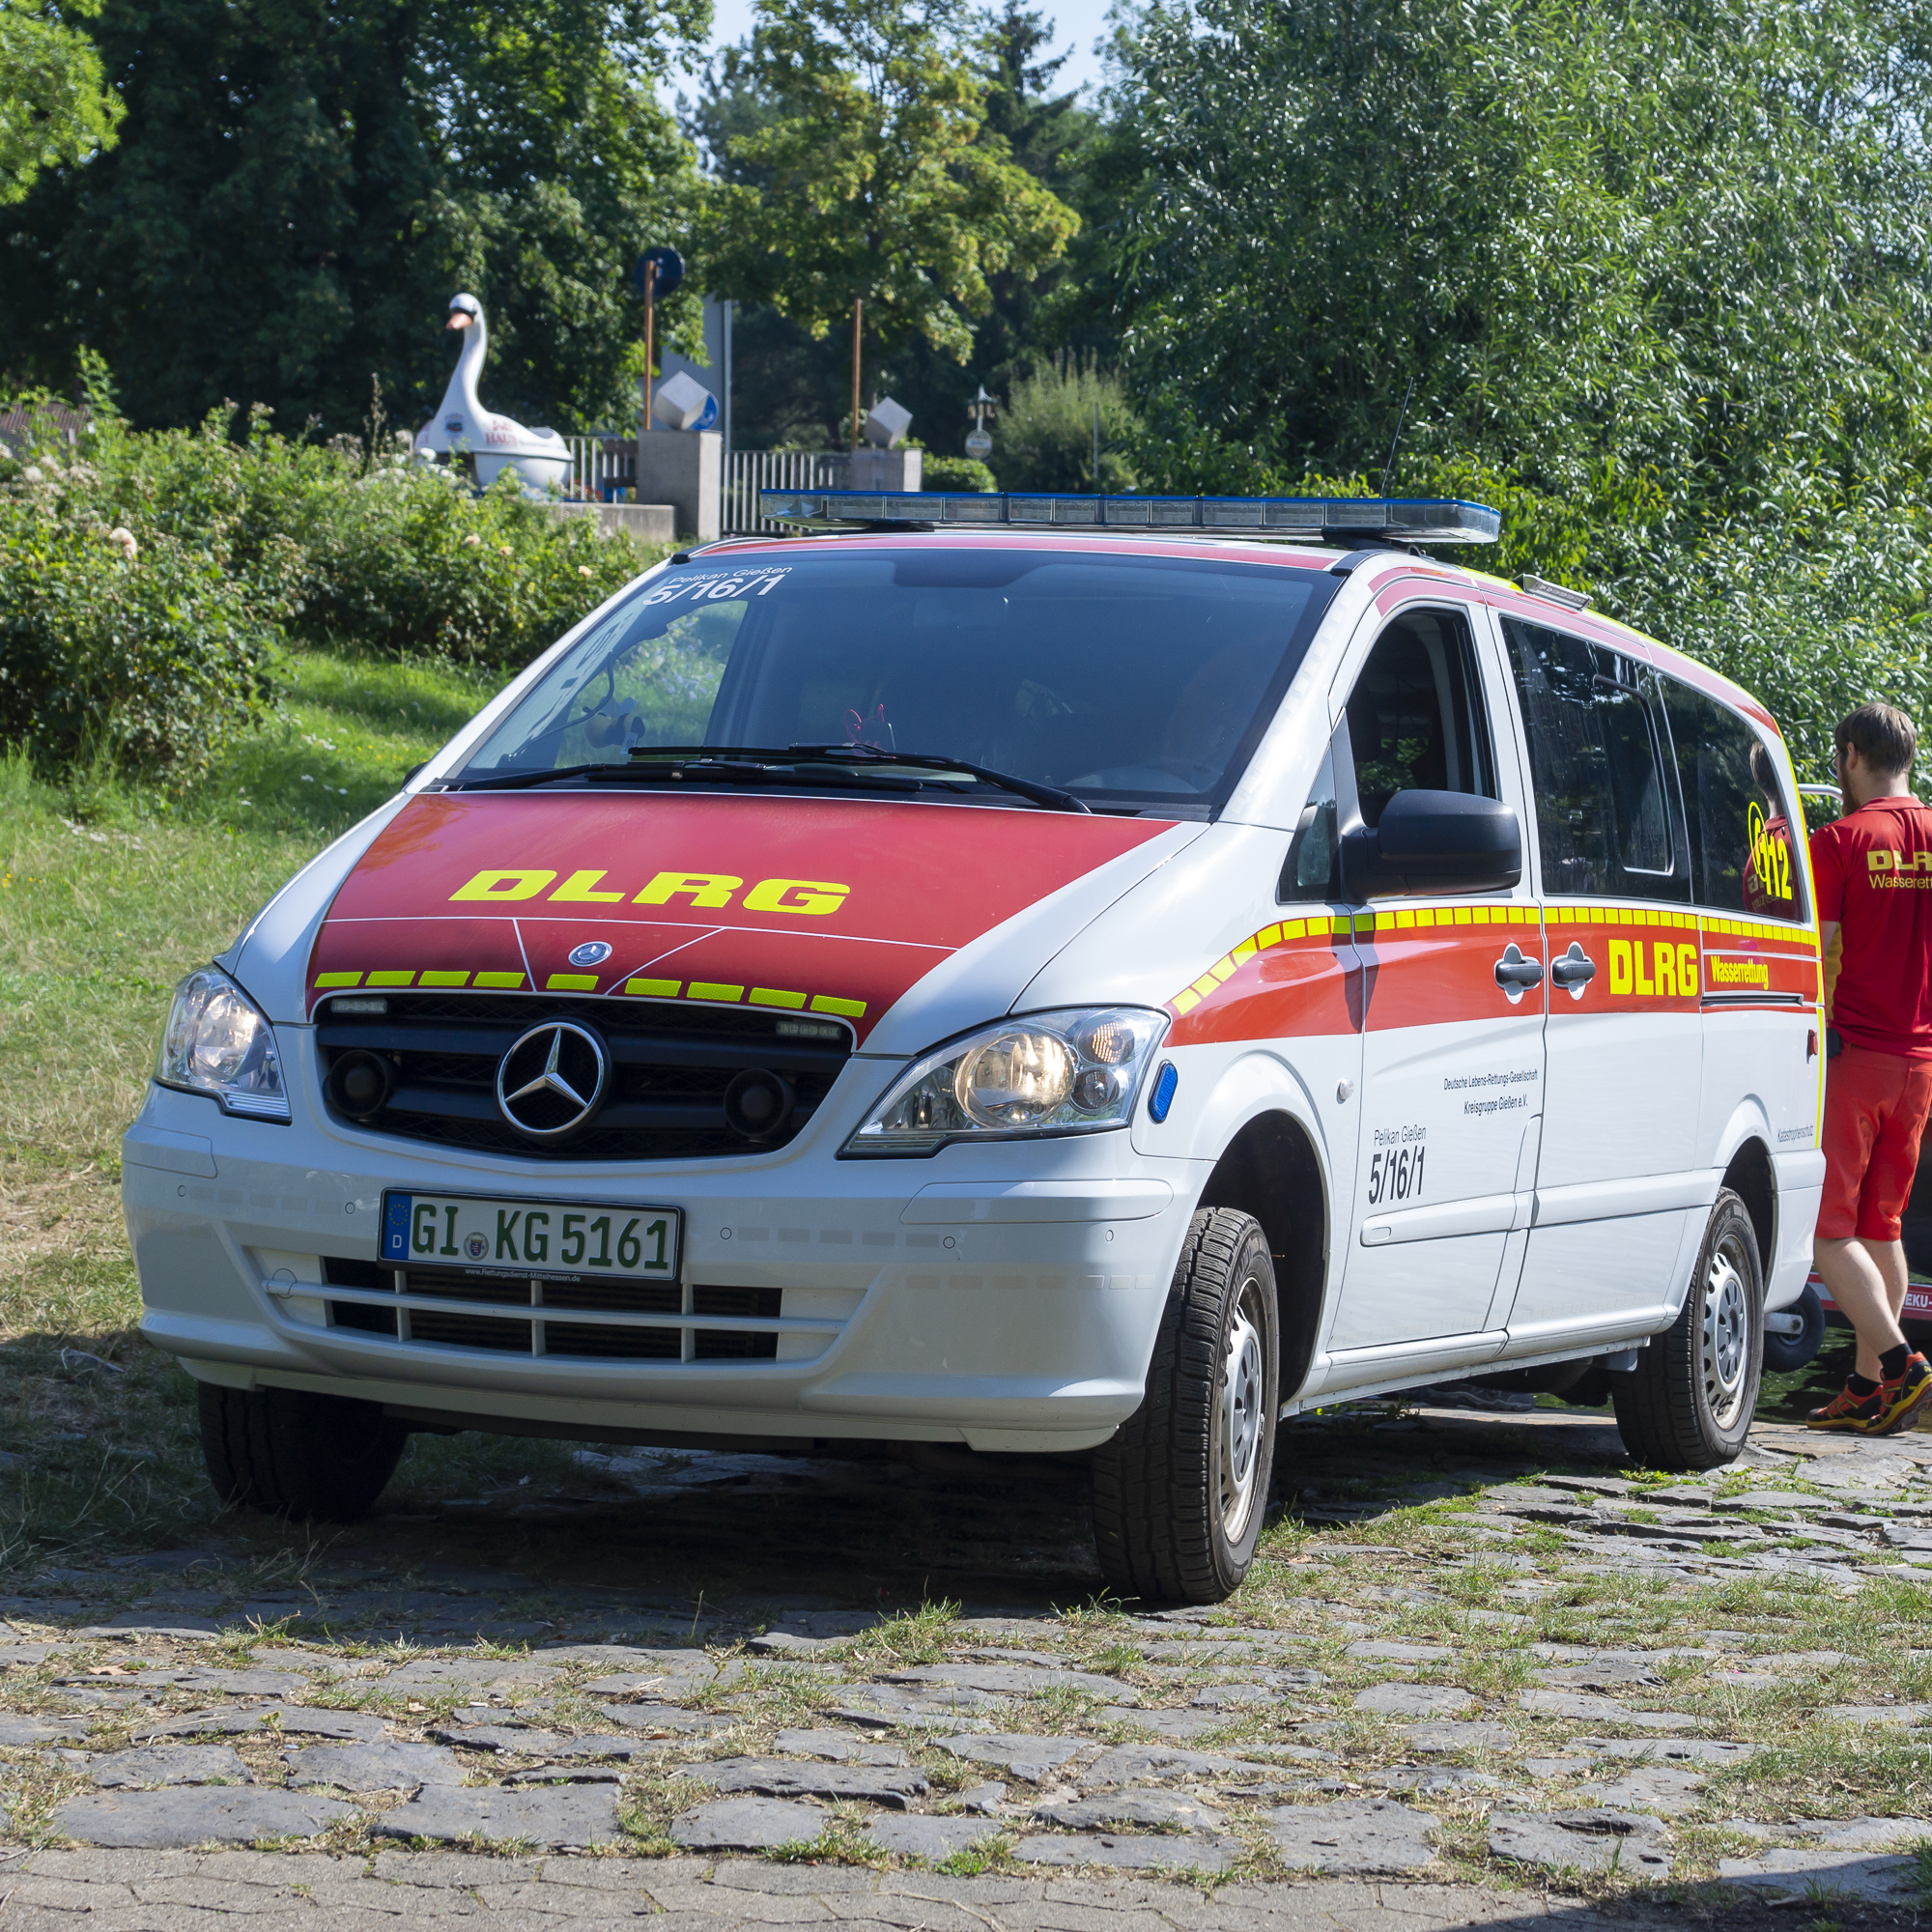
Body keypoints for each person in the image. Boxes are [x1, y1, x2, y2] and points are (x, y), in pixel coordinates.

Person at [1807, 702, 1932, 1433]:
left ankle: (1898, 1363)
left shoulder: (1841, 839)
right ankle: (1865, 1387)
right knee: (1880, 1226)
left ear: (1851, 754)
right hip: (1921, 1060)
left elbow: (1819, 952)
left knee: (1826, 1232)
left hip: (1858, 1053)